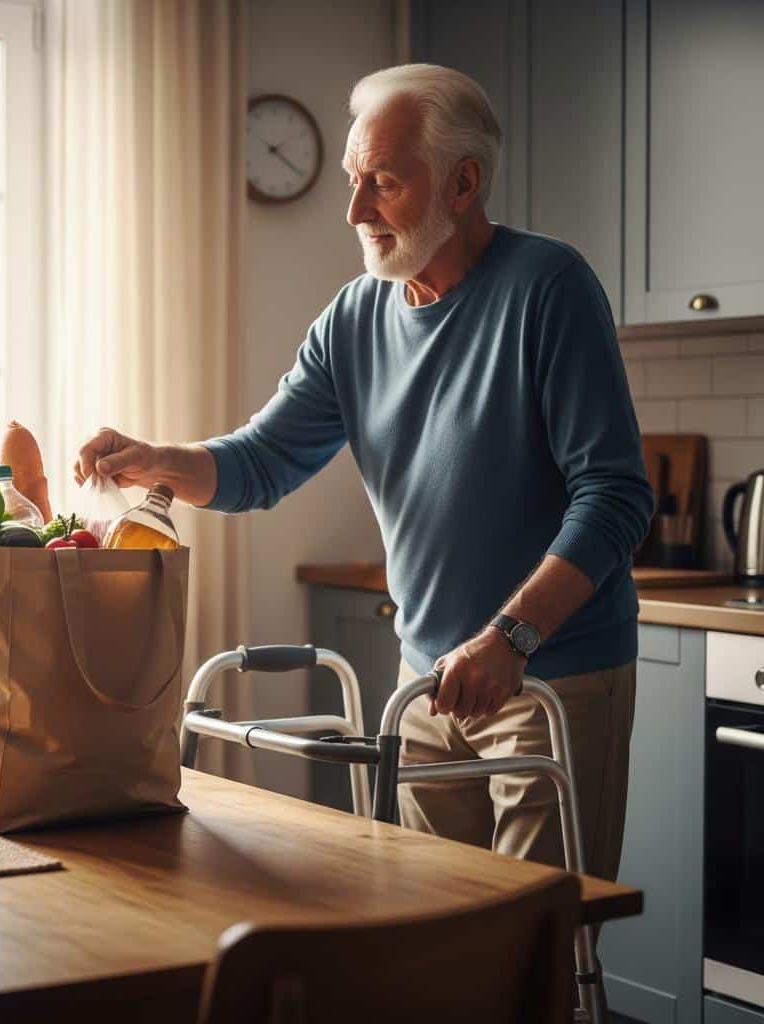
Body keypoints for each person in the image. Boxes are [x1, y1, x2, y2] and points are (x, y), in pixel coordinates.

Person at [75, 64, 653, 885]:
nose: (355, 211)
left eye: (380, 182)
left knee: (537, 950)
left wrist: (512, 637)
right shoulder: (354, 318)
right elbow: (261, 463)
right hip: (427, 681)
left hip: (546, 675)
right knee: (432, 946)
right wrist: (157, 459)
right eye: (354, 182)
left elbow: (618, 497)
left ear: (463, 182)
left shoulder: (548, 288)